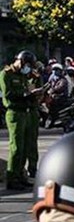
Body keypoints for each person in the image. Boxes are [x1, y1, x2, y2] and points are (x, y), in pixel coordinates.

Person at [0, 51, 38, 190]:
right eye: (26, 64)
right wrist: (25, 94)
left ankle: (21, 175)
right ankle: (12, 178)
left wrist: (33, 93)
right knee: (16, 148)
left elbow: (28, 89)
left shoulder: (22, 75)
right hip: (14, 113)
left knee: (25, 147)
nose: (27, 68)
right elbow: (8, 95)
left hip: (25, 112)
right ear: (20, 61)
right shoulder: (6, 74)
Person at [24, 61, 46, 179]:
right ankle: (19, 172)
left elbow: (39, 94)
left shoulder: (36, 79)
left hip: (32, 110)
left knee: (32, 142)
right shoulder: (17, 76)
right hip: (21, 111)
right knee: (19, 145)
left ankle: (32, 168)